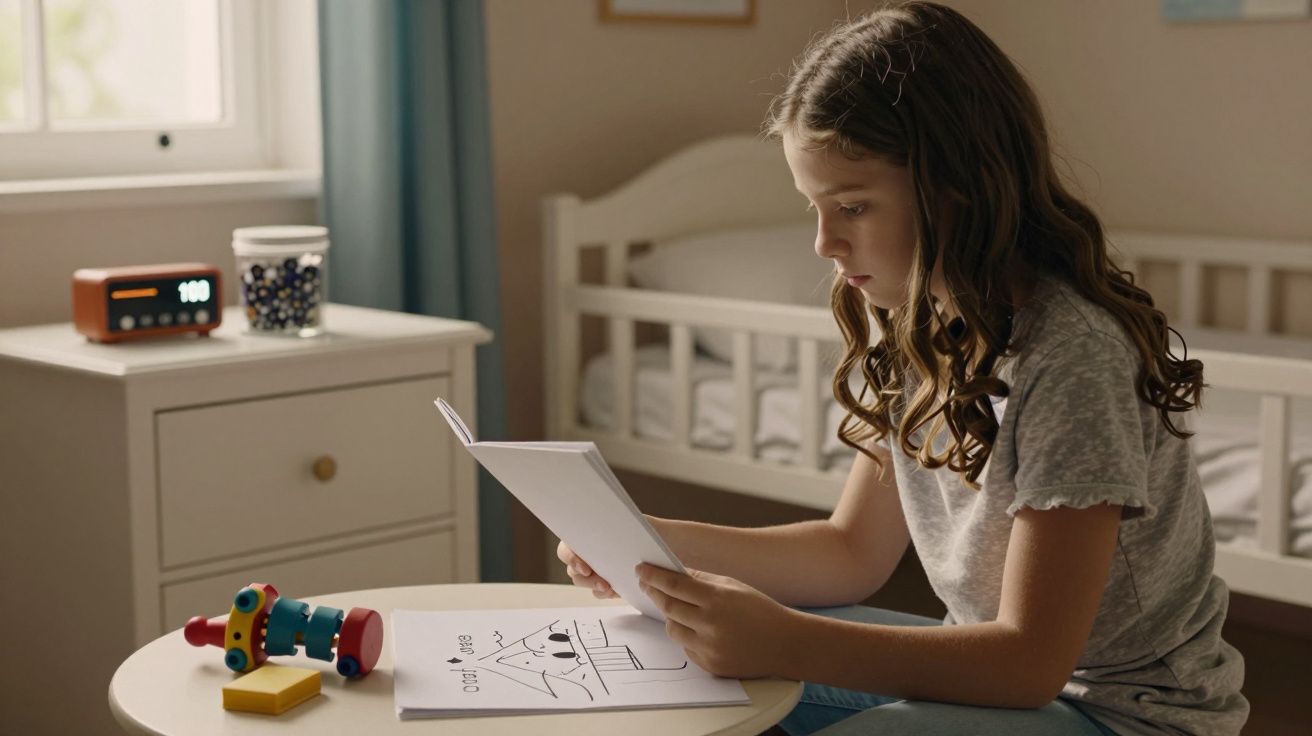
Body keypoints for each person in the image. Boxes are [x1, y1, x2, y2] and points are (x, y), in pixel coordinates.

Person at [558, 2, 1248, 734]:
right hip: (1012, 685)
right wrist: (648, 542)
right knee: (677, 659)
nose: (824, 242)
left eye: (853, 207)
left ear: (957, 189)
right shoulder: (917, 329)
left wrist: (783, 639)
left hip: (1124, 714)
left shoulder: (1073, 354)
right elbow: (849, 553)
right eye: (814, 208)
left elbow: (1030, 662)